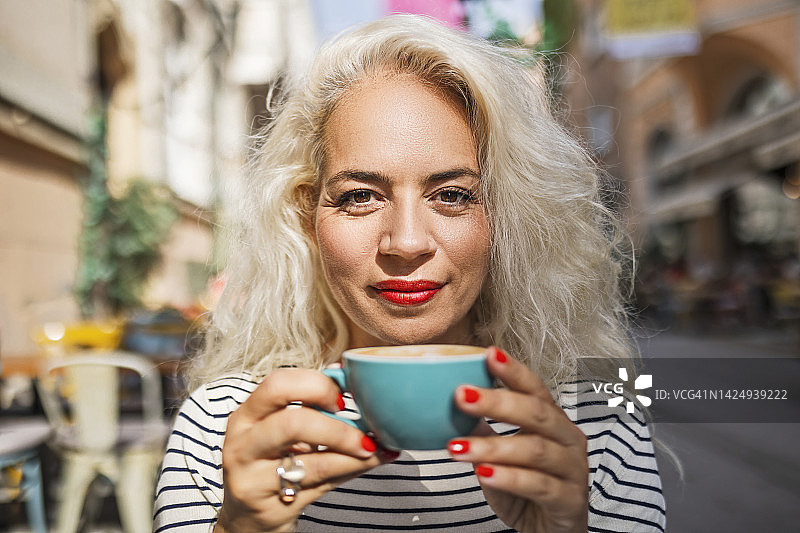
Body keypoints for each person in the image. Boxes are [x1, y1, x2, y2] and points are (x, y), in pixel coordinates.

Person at [154, 14, 666, 533]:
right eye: (360, 196)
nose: (406, 242)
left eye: (452, 196)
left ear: (505, 215)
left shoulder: (593, 430)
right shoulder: (226, 430)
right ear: (307, 216)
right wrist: (240, 528)